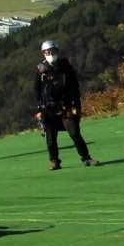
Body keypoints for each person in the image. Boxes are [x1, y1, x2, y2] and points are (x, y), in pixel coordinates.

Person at [34, 40, 97, 169]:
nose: (51, 54)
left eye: (53, 51)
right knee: (51, 138)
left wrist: (77, 106)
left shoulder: (66, 67)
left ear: (57, 51)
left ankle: (86, 158)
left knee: (74, 133)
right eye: (47, 52)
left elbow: (75, 87)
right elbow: (37, 90)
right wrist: (38, 110)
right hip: (49, 109)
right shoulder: (40, 70)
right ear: (43, 54)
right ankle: (54, 161)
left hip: (67, 106)